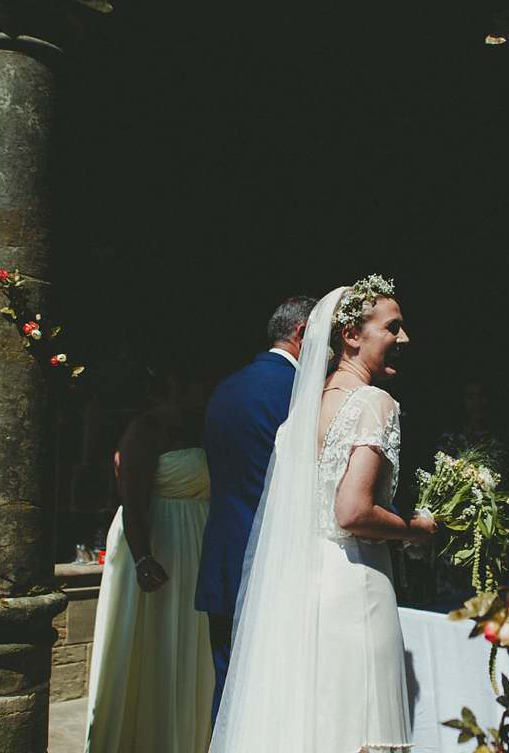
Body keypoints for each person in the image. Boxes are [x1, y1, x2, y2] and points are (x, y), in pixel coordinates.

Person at [209, 275, 437, 752]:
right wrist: (413, 530)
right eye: (392, 328)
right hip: (354, 585)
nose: (404, 339)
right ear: (351, 336)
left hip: (300, 584)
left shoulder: (299, 416)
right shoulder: (375, 403)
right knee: (357, 725)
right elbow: (352, 511)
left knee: (309, 722)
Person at [195, 295, 317, 723]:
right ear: (302, 333)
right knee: (278, 697)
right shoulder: (300, 394)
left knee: (229, 691)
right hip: (273, 565)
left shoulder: (225, 386)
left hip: (223, 562)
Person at [85, 365, 214, 753]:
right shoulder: (144, 429)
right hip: (159, 541)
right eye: (198, 382)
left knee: (191, 645)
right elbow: (132, 502)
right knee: (154, 645)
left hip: (195, 545)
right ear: (175, 383)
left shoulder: (200, 428)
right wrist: (143, 557)